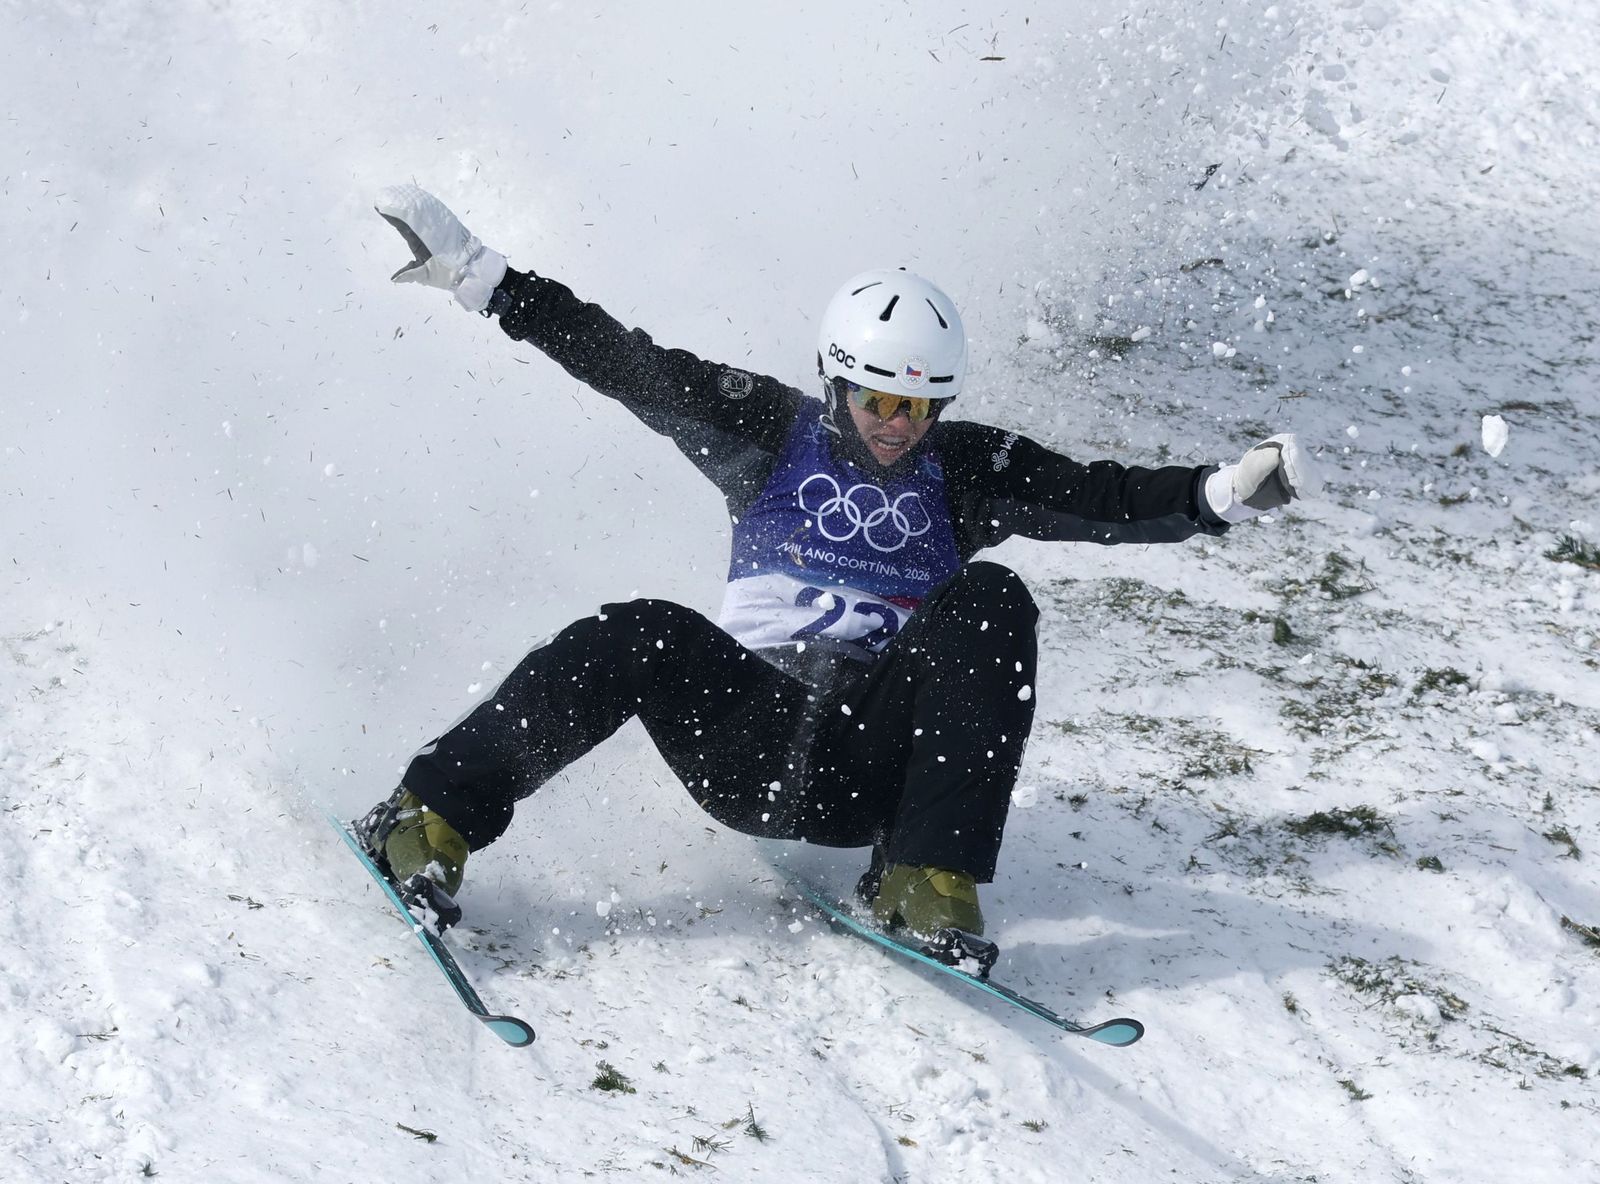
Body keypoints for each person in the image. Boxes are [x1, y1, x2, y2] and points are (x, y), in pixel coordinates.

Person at [358, 183, 1321, 973]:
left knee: (993, 603)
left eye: (920, 404)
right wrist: (480, 278)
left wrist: (1220, 493)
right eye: (878, 399)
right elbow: (625, 362)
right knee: (639, 628)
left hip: (876, 764)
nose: (899, 423)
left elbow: (1097, 496)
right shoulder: (764, 430)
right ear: (836, 380)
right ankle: (429, 815)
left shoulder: (967, 470)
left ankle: (922, 877)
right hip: (752, 735)